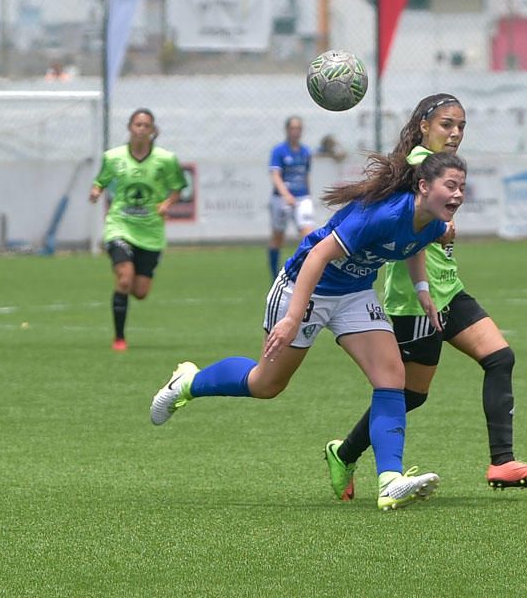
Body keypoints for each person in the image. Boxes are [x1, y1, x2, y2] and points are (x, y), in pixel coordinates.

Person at [149, 149, 467, 512]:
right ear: (424, 186)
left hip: (354, 293)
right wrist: (292, 317)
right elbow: (317, 256)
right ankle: (188, 383)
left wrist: (423, 291)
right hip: (305, 286)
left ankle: (389, 482)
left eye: (462, 187)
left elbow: (415, 243)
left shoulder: (434, 222)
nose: (458, 195)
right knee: (265, 384)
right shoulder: (383, 214)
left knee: (391, 377)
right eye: (451, 186)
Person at [323, 93, 527, 502]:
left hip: (450, 291)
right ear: (423, 125)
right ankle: (345, 452)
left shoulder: (437, 169)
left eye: (461, 126)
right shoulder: (416, 170)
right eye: (447, 124)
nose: (456, 133)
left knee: (500, 358)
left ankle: (502, 461)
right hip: (413, 302)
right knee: (410, 394)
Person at [89, 108, 187, 351]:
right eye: (137, 125)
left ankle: (128, 288)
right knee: (124, 279)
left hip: (151, 231)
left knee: (140, 292)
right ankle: (119, 338)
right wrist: (96, 191)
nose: (141, 129)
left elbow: (178, 188)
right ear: (130, 128)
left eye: (146, 125)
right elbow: (101, 180)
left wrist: (166, 203)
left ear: (152, 130)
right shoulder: (114, 157)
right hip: (120, 225)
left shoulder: (166, 159)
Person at [268, 116, 317, 281]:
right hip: (282, 199)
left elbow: (306, 174)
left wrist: (309, 194)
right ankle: (275, 276)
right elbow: (275, 175)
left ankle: (304, 275)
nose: (296, 132)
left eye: (298, 128)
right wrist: (286, 194)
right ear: (287, 130)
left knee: (308, 236)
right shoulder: (279, 151)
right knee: (278, 237)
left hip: (302, 197)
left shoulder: (306, 152)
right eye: (293, 128)